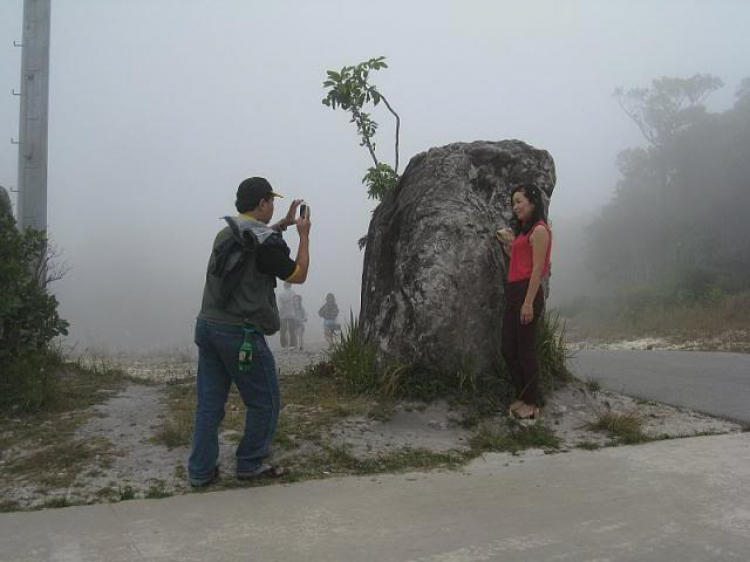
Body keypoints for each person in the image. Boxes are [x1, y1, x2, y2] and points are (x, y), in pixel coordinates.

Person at [188, 177, 311, 487]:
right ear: (261, 204)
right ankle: (250, 463)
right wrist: (303, 235)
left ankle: (201, 472)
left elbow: (251, 245)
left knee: (209, 404)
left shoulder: (226, 232)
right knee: (264, 401)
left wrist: (281, 224)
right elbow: (298, 275)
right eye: (272, 202)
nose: (274, 207)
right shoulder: (263, 241)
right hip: (239, 333)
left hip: (207, 326)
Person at [496, 184, 551, 420]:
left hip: (528, 292)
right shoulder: (524, 232)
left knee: (526, 350)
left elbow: (538, 269)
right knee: (508, 348)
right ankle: (523, 394)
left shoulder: (540, 230)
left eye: (519, 201)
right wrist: (510, 246)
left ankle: (532, 403)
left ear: (533, 202)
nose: (515, 206)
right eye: (513, 203)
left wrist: (528, 303)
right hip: (514, 290)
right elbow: (520, 262)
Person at [277, 282, 297, 349]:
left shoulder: (281, 294)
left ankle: (283, 345)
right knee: (292, 330)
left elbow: (280, 305)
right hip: (292, 313)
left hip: (283, 314)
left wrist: (280, 313)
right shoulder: (293, 293)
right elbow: (295, 304)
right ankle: (292, 345)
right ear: (290, 285)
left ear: (284, 286)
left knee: (283, 330)